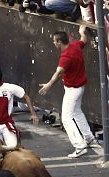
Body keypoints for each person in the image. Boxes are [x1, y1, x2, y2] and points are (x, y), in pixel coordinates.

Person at [38, 26, 96, 158]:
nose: (53, 43)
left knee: (66, 118)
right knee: (77, 112)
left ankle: (80, 146)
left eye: (54, 41)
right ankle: (89, 138)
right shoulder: (75, 46)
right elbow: (84, 40)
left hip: (73, 90)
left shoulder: (65, 57)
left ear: (59, 42)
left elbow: (58, 73)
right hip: (79, 87)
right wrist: (82, 32)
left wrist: (48, 85)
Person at [0, 66, 39, 147]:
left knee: (13, 148)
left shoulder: (9, 88)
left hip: (6, 125)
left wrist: (33, 114)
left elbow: (26, 97)